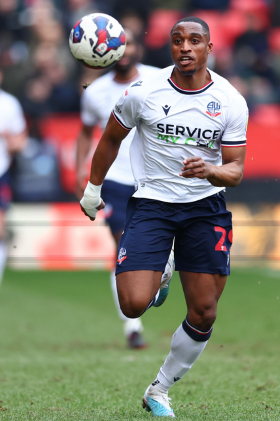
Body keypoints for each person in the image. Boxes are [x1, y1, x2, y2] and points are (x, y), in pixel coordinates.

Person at [80, 16, 248, 417]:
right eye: (177, 41)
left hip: (205, 208)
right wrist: (92, 187)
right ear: (170, 48)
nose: (185, 47)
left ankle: (159, 389)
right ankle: (160, 274)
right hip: (153, 204)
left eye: (194, 41)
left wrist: (210, 171)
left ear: (209, 47)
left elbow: (236, 170)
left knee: (205, 310)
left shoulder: (229, 100)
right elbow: (110, 138)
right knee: (134, 304)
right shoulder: (144, 93)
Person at [76, 29, 174, 349]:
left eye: (131, 43)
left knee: (158, 247)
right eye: (121, 44)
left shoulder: (157, 80)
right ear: (109, 50)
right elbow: (86, 132)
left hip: (153, 177)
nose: (126, 49)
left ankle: (161, 272)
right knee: (124, 248)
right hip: (116, 182)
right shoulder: (96, 92)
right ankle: (133, 327)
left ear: (137, 48)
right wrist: (84, 171)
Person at [0, 69, 27, 284]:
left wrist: (11, 140)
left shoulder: (9, 104)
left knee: (0, 229)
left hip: (1, 172)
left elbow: (20, 141)